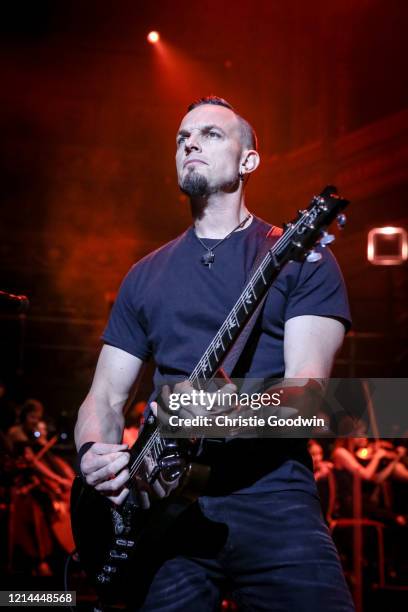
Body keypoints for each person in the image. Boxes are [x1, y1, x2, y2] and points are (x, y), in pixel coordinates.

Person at [75, 96, 354, 610]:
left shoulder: (300, 259)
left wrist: (213, 411)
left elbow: (310, 399)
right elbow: (103, 400)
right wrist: (94, 453)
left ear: (249, 160)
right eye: (182, 138)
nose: (190, 143)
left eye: (210, 134)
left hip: (272, 498)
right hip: (163, 512)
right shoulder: (145, 275)